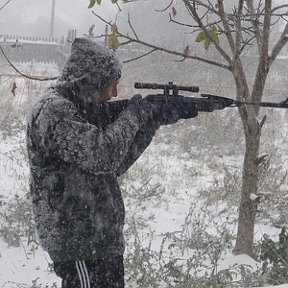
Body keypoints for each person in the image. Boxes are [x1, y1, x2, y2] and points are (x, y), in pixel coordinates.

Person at [26, 37, 198, 288]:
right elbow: (102, 155)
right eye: (112, 85)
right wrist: (136, 113)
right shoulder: (54, 111)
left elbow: (113, 164)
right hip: (78, 242)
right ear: (92, 81)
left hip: (99, 238)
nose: (115, 93)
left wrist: (150, 121)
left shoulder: (78, 108)